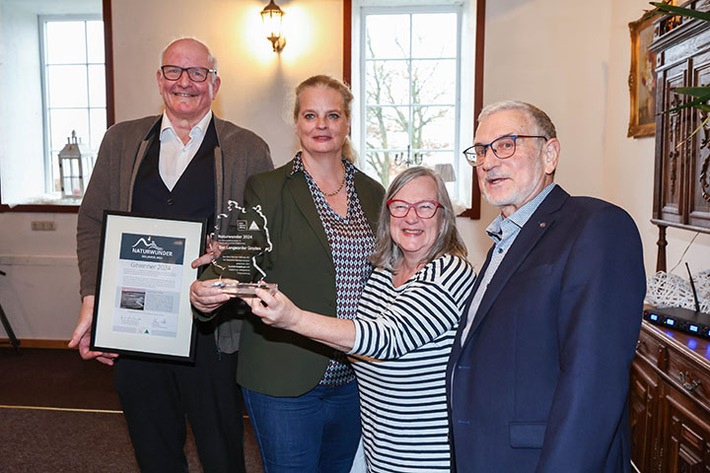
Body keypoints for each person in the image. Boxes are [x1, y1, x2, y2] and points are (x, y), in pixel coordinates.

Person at [68, 37, 273, 473]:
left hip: (214, 332)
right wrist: (94, 302)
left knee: (222, 453)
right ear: (159, 80)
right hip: (135, 326)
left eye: (198, 73)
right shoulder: (122, 141)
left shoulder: (248, 148)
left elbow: (259, 237)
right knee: (153, 450)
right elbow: (91, 223)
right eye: (174, 71)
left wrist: (227, 254)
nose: (186, 82)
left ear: (214, 83)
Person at [190, 74, 385, 472]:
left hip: (356, 377)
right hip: (284, 377)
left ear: (347, 123)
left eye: (333, 115)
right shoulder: (268, 187)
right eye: (310, 115)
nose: (321, 125)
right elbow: (245, 254)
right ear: (296, 123)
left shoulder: (374, 193)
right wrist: (208, 288)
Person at [446, 100, 646, 472]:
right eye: (480, 151)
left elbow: (592, 386)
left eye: (507, 144)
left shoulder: (596, 226)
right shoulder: (504, 243)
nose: (489, 161)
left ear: (549, 154)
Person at [242, 166, 475, 472]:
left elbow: (384, 338)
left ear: (443, 216)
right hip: (380, 452)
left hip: (428, 457)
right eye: (400, 206)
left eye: (426, 207)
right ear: (387, 215)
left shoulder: (451, 272)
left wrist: (293, 318)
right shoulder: (383, 272)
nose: (411, 217)